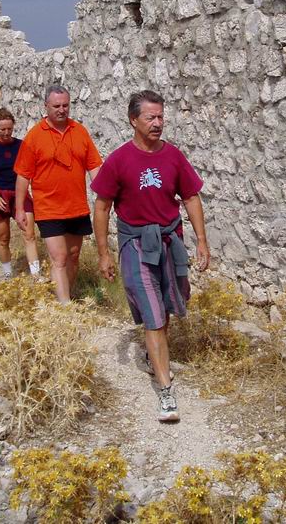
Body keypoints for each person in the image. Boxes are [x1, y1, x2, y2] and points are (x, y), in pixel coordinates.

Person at [91, 90, 211, 423]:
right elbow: (101, 207)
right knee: (153, 312)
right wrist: (104, 253)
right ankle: (165, 389)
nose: (158, 123)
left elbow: (191, 197)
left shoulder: (173, 156)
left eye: (160, 117)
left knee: (167, 305)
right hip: (135, 244)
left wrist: (202, 241)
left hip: (170, 241)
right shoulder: (119, 160)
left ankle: (152, 354)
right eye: (150, 117)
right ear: (134, 120)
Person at [14, 85, 103, 303]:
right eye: (56, 106)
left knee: (73, 256)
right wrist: (19, 208)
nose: (62, 110)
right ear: (46, 106)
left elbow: (94, 166)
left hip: (77, 207)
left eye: (65, 105)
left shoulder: (79, 131)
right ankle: (65, 308)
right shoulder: (34, 136)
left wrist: (105, 194)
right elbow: (23, 175)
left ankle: (65, 295)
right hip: (48, 208)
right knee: (59, 258)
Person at [0, 107, 40, 278]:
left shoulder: (20, 145)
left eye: (9, 129)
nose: (6, 133)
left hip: (20, 194)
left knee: (29, 234)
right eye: (2, 129)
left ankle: (36, 276)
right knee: (3, 238)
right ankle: (7, 275)